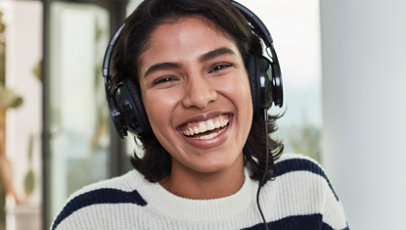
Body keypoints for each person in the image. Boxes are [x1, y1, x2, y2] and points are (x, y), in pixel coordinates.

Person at [51, 0, 349, 229]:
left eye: (219, 67)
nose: (199, 97)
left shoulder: (306, 190)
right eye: (166, 78)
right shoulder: (89, 220)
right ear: (133, 107)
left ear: (258, 80)